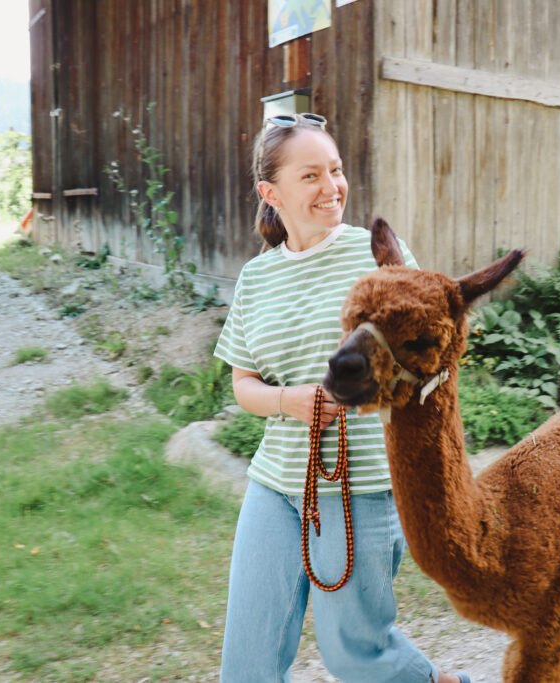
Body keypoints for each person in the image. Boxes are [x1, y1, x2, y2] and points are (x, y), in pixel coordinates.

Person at [213, 113, 470, 683]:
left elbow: (427, 356)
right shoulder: (256, 279)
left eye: (335, 170)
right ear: (270, 193)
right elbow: (244, 384)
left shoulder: (376, 255)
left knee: (357, 656)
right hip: (276, 484)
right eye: (311, 176)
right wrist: (291, 402)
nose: (332, 187)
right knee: (246, 663)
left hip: (360, 483)